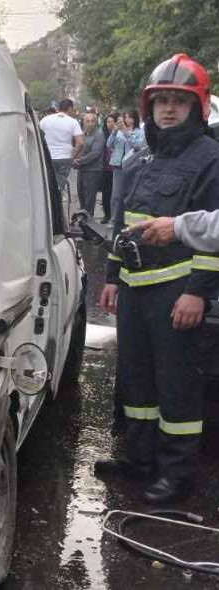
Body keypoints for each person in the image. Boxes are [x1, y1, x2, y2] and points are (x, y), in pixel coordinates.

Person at [96, 54, 219, 504]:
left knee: (177, 385)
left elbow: (211, 236)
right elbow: (123, 223)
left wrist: (197, 294)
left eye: (178, 101)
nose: (168, 109)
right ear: (149, 106)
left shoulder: (210, 159)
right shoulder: (139, 157)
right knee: (137, 381)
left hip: (176, 291)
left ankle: (177, 474)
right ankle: (139, 458)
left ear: (197, 107)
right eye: (161, 100)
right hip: (134, 290)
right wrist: (112, 276)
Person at [40, 98, 85, 194]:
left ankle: (49, 201)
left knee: (48, 185)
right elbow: (80, 143)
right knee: (59, 186)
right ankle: (58, 199)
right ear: (70, 108)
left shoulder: (45, 120)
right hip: (65, 157)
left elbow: (38, 137)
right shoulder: (73, 122)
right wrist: (73, 156)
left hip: (48, 157)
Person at [74, 112, 105, 215]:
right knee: (81, 197)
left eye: (92, 121)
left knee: (89, 200)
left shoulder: (99, 134)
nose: (90, 123)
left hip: (92, 171)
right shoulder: (83, 134)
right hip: (82, 170)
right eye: (87, 121)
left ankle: (88, 221)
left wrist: (80, 160)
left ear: (96, 122)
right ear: (83, 122)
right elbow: (78, 148)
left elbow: (95, 153)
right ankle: (83, 219)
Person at [100, 113, 118, 224]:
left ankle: (115, 215)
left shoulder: (119, 135)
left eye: (112, 121)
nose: (110, 124)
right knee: (106, 193)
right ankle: (107, 214)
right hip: (105, 168)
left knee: (115, 194)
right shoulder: (103, 135)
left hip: (116, 168)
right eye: (108, 121)